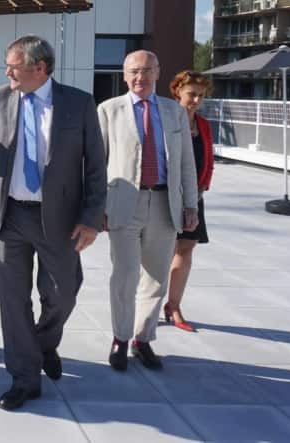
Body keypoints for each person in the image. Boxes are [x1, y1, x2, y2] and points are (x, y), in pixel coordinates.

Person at [0, 35, 106, 411]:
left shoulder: (79, 103)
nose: (7, 72)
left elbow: (96, 167)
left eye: (13, 66)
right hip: (8, 214)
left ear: (39, 68)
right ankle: (24, 378)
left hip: (61, 219)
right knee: (13, 302)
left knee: (63, 292)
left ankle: (42, 344)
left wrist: (91, 219)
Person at [98, 50, 198, 372]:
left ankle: (143, 339)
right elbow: (97, 164)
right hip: (124, 203)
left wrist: (190, 205)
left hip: (165, 204)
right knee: (124, 276)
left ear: (157, 73)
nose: (139, 77)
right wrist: (96, 207)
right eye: (133, 72)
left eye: (146, 71)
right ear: (125, 76)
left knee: (155, 278)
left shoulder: (174, 112)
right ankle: (120, 338)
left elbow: (186, 164)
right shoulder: (108, 110)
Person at [164, 70, 214, 332]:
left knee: (186, 248)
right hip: (167, 196)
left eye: (200, 96)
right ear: (178, 92)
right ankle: (146, 306)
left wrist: (203, 186)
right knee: (163, 252)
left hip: (195, 196)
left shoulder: (203, 124)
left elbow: (208, 157)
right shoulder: (166, 120)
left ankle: (173, 306)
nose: (195, 100)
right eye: (191, 94)